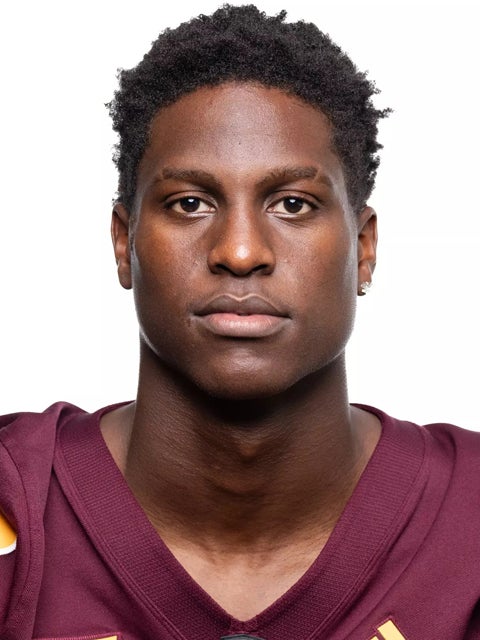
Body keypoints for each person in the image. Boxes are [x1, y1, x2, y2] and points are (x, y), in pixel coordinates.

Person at [0, 5, 479, 640]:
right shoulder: (15, 502)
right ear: (124, 242)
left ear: (364, 247)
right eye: (189, 203)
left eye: (293, 204)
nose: (241, 251)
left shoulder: (470, 517)